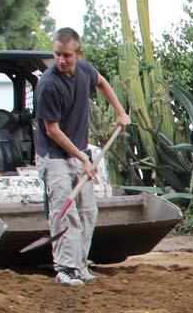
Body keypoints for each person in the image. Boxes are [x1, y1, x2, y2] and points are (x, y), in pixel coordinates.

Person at [35, 28, 131, 286]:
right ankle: (65, 269)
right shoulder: (48, 85)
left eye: (66, 55)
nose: (61, 60)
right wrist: (82, 157)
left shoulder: (85, 70)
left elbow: (101, 82)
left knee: (88, 211)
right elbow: (52, 130)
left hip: (79, 154)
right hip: (54, 157)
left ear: (78, 53)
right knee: (65, 213)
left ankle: (79, 265)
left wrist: (120, 112)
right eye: (56, 54)